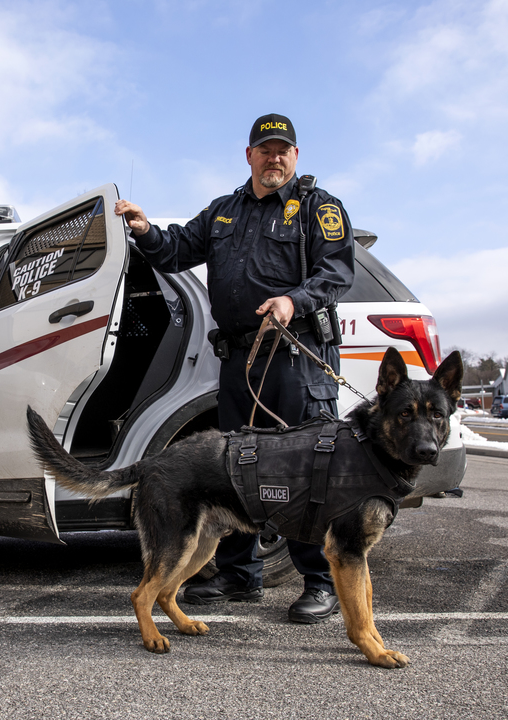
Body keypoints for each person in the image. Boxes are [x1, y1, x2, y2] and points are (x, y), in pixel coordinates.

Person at [114, 113, 355, 623]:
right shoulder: (224, 212)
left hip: (294, 354)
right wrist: (144, 230)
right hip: (240, 360)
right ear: (249, 155)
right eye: (265, 149)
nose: (275, 157)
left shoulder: (318, 207)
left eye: (283, 149)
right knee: (235, 467)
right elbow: (178, 248)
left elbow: (336, 272)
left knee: (305, 472)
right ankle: (239, 576)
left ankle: (319, 582)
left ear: (295, 155)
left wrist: (294, 299)